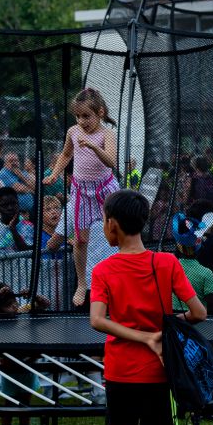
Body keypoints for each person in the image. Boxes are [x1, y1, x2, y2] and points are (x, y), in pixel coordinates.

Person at [90, 189, 206, 425]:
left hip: (120, 370)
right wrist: (165, 328)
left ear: (112, 224)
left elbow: (97, 319)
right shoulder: (167, 262)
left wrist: (144, 338)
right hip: (159, 368)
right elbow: (199, 312)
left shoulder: (102, 270)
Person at [44, 88, 120, 307]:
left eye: (86, 116)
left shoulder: (106, 134)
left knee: (118, 233)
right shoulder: (73, 132)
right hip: (81, 190)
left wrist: (95, 148)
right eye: (78, 116)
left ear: (100, 113)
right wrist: (56, 173)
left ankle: (122, 275)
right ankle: (81, 283)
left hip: (105, 189)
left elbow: (111, 163)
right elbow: (67, 154)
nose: (81, 121)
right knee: (80, 239)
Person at [0, 282, 50, 425]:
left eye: (15, 302)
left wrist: (33, 295)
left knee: (26, 401)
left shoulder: (23, 311)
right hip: (9, 368)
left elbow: (45, 304)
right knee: (9, 402)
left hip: (28, 365)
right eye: (8, 305)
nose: (14, 307)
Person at [0, 187, 35, 254]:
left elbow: (27, 251)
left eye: (13, 203)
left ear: (18, 204)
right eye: (5, 205)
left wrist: (13, 229)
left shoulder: (28, 226)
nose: (10, 208)